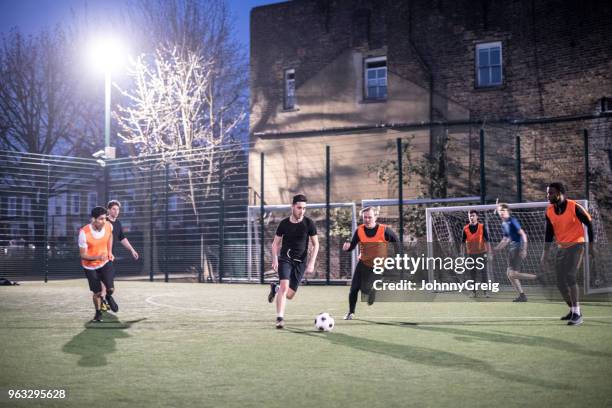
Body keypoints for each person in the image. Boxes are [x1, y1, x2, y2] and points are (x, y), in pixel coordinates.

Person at [540, 182, 594, 326]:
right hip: (562, 247)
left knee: (570, 275)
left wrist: (591, 246)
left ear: (560, 193)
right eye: (547, 193)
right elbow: (549, 233)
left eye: (551, 193)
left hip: (577, 244)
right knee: (559, 282)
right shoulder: (549, 210)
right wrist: (545, 253)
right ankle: (572, 309)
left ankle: (577, 313)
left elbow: (589, 223)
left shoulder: (574, 206)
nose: (548, 196)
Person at [267, 194, 319, 329]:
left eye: (304, 208)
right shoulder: (284, 223)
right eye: (299, 208)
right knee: (285, 286)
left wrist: (311, 262)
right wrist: (275, 259)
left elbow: (316, 244)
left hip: (300, 262)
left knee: (289, 295)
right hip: (285, 259)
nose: (302, 211)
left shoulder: (309, 223)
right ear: (293, 207)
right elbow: (275, 244)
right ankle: (280, 318)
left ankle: (275, 288)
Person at [342, 206, 399, 320]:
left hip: (378, 265)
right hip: (363, 263)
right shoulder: (359, 230)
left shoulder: (384, 230)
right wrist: (347, 248)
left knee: (366, 289)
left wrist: (398, 257)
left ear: (375, 217)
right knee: (354, 289)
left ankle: (376, 287)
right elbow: (352, 246)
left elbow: (397, 242)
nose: (367, 220)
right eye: (365, 217)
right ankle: (351, 312)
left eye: (370, 217)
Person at [98, 200, 139, 313]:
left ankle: (107, 297)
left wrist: (132, 250)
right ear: (108, 210)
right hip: (100, 256)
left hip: (110, 257)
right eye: (114, 209)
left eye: (118, 209)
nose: (116, 211)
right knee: (103, 280)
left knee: (109, 283)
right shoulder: (103, 222)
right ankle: (103, 302)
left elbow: (122, 238)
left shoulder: (118, 223)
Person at [78, 206, 116, 322]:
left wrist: (109, 252)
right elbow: (83, 255)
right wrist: (97, 257)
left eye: (105, 218)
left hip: (104, 262)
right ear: (93, 219)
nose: (104, 221)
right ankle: (98, 313)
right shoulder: (84, 233)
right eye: (100, 219)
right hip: (90, 266)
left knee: (110, 288)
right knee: (97, 292)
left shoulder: (108, 225)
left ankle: (109, 297)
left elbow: (110, 236)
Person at [494, 202, 537, 302]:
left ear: (508, 211)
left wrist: (524, 249)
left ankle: (536, 277)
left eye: (503, 210)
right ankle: (522, 295)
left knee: (513, 274)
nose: (501, 212)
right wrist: (497, 248)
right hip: (512, 249)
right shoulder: (504, 224)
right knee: (509, 274)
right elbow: (506, 239)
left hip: (518, 248)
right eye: (500, 210)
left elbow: (523, 234)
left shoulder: (512, 221)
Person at [461, 210, 492, 297]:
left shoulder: (482, 227)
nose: (471, 217)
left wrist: (489, 253)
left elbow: (487, 241)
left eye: (473, 215)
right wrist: (462, 254)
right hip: (471, 254)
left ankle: (486, 291)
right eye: (470, 216)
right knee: (472, 273)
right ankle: (473, 292)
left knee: (484, 272)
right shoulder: (465, 228)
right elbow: (462, 243)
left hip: (482, 253)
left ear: (477, 217)